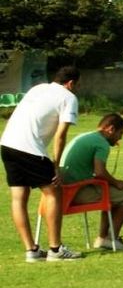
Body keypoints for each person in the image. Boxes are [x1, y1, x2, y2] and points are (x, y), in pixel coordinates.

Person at [1, 66, 82, 262]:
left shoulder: (37, 89)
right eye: (77, 85)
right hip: (29, 148)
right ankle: (55, 249)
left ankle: (32, 251)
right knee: (53, 191)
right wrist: (55, 164)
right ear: (70, 83)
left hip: (7, 144)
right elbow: (60, 135)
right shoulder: (68, 97)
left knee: (19, 197)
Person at [60, 113, 123, 250]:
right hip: (75, 192)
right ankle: (111, 238)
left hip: (64, 189)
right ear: (110, 129)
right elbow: (99, 172)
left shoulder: (86, 136)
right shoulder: (101, 143)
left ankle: (102, 238)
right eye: (120, 133)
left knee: (111, 195)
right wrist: (116, 182)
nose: (121, 137)